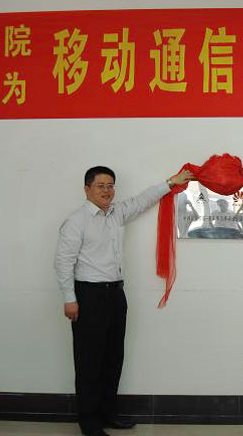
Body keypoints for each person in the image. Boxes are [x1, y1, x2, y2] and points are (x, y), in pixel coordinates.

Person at [54, 166, 194, 436]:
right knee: (89, 362)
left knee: (112, 358)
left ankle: (108, 414)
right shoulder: (76, 221)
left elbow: (142, 200)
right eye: (100, 186)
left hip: (115, 295)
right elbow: (63, 262)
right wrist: (70, 299)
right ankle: (89, 422)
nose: (107, 191)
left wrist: (171, 182)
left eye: (110, 186)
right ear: (86, 189)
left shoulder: (117, 213)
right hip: (88, 296)